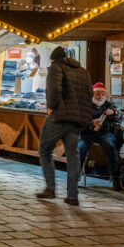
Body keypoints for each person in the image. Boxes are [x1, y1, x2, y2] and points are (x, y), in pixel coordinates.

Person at [37, 47, 93, 205]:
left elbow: (54, 89)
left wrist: (51, 107)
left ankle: (50, 189)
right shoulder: (82, 71)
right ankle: (72, 196)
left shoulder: (56, 68)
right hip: (77, 119)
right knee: (73, 156)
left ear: (53, 59)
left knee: (44, 149)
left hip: (59, 117)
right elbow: (89, 93)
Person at [78, 82, 124, 190]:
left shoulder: (109, 104)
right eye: (97, 94)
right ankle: (75, 177)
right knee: (80, 149)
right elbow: (78, 121)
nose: (100, 97)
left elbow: (122, 118)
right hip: (87, 133)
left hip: (104, 133)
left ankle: (115, 178)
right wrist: (91, 122)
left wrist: (113, 112)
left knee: (110, 146)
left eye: (102, 95)